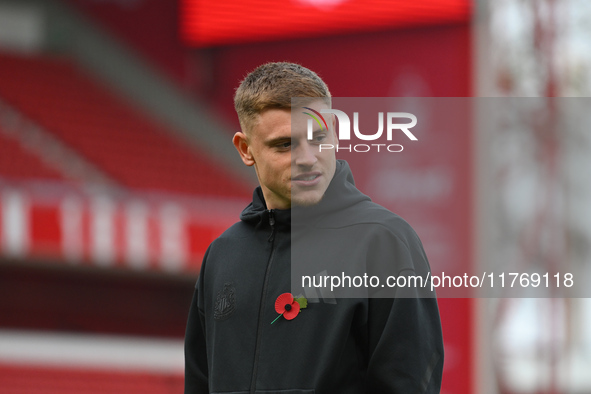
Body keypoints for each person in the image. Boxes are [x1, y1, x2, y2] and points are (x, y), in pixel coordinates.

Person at [184, 62, 444, 393]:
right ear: (246, 149)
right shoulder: (222, 255)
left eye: (317, 138)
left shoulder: (384, 242)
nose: (307, 158)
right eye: (284, 144)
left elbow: (408, 384)